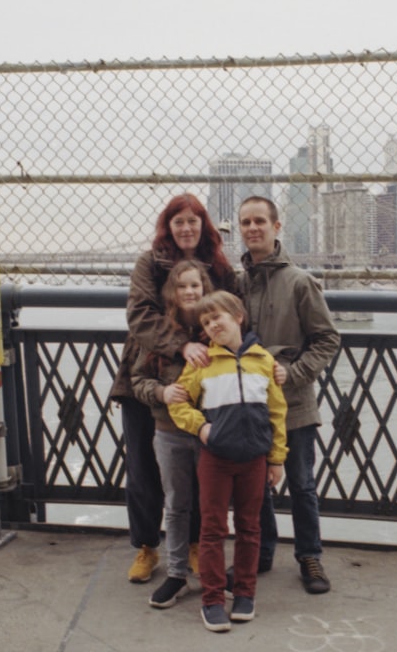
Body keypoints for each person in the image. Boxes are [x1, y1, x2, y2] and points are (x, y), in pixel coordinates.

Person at [109, 194, 237, 584]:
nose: (186, 228)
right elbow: (139, 315)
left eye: (193, 221)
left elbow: (230, 310)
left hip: (201, 379)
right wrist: (182, 344)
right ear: (168, 226)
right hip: (147, 373)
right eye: (178, 221)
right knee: (143, 469)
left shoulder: (218, 266)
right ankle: (147, 548)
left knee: (198, 466)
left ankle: (196, 545)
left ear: (204, 226)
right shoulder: (150, 263)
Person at [167, 291, 288, 633]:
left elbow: (277, 413)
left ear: (238, 316)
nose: (212, 325)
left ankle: (246, 593)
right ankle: (212, 599)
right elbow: (179, 403)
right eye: (205, 323)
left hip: (254, 459)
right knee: (213, 529)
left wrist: (276, 459)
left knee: (250, 528)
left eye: (217, 317)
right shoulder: (202, 362)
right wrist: (202, 428)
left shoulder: (263, 361)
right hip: (216, 458)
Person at [237, 195, 340, 595]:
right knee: (255, 484)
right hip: (249, 405)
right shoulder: (237, 284)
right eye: (245, 223)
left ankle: (310, 557)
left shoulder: (300, 282)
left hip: (293, 403)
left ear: (277, 227)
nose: (252, 229)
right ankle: (261, 553)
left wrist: (293, 374)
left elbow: (328, 339)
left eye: (260, 221)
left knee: (301, 483)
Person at [130, 259, 212, 608]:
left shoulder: (216, 327)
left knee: (212, 504)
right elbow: (137, 381)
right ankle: (177, 574)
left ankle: (211, 572)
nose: (190, 292)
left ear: (206, 289)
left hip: (211, 432)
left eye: (196, 285)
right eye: (182, 286)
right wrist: (161, 393)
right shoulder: (158, 333)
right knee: (177, 504)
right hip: (169, 430)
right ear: (172, 293)